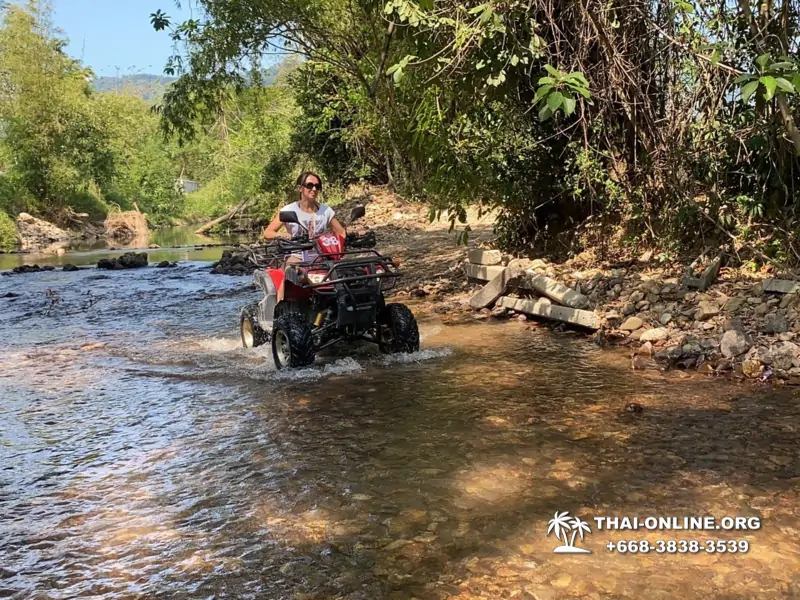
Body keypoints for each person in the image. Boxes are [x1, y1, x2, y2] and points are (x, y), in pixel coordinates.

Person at [263, 171, 347, 301]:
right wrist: (281, 235)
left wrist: (340, 243)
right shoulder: (288, 211)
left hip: (322, 256)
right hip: (297, 256)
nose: (314, 189)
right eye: (309, 185)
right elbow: (267, 233)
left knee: (343, 275)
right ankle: (279, 311)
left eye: (317, 186)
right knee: (288, 273)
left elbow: (341, 232)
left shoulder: (325, 211)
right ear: (300, 188)